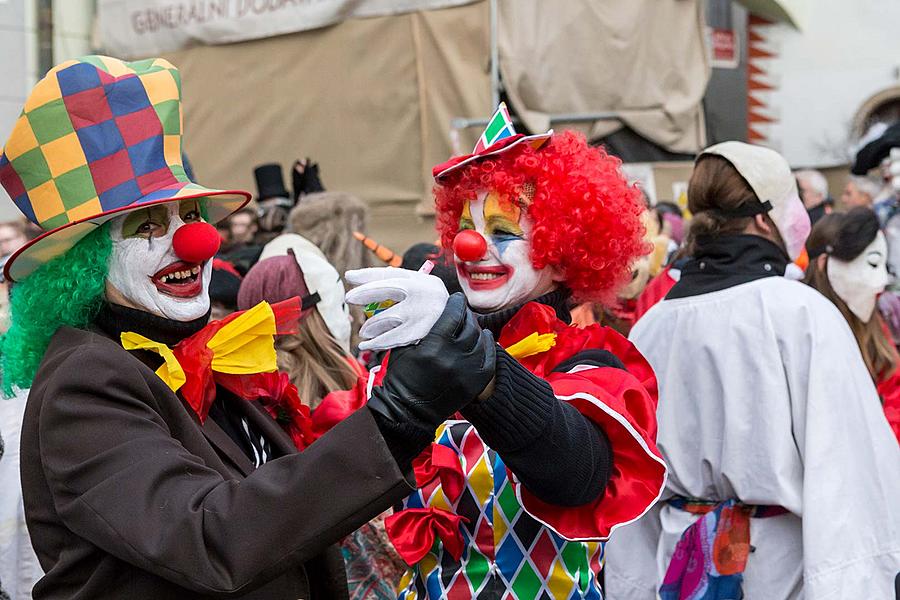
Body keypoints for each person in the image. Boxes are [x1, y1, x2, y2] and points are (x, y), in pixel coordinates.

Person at [0, 55, 487, 599]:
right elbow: (210, 535)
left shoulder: (194, 357)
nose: (194, 242)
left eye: (191, 217)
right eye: (148, 226)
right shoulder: (84, 381)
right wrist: (397, 415)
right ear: (84, 264)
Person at [344, 104, 667, 599]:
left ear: (561, 256)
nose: (472, 248)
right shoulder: (416, 359)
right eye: (468, 228)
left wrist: (473, 359)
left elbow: (576, 473)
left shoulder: (589, 364)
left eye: (504, 231)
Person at [605, 142, 900, 600]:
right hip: (779, 575)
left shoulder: (651, 326)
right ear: (765, 218)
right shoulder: (802, 313)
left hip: (675, 564)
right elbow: (848, 473)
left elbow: (632, 486)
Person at [238, 245, 406, 600]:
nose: (347, 318)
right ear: (314, 314)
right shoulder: (347, 389)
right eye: (340, 305)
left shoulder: (242, 393)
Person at [804, 208, 900, 442]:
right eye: (870, 263)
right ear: (824, 263)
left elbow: (893, 395)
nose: (880, 282)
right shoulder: (803, 327)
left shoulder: (874, 325)